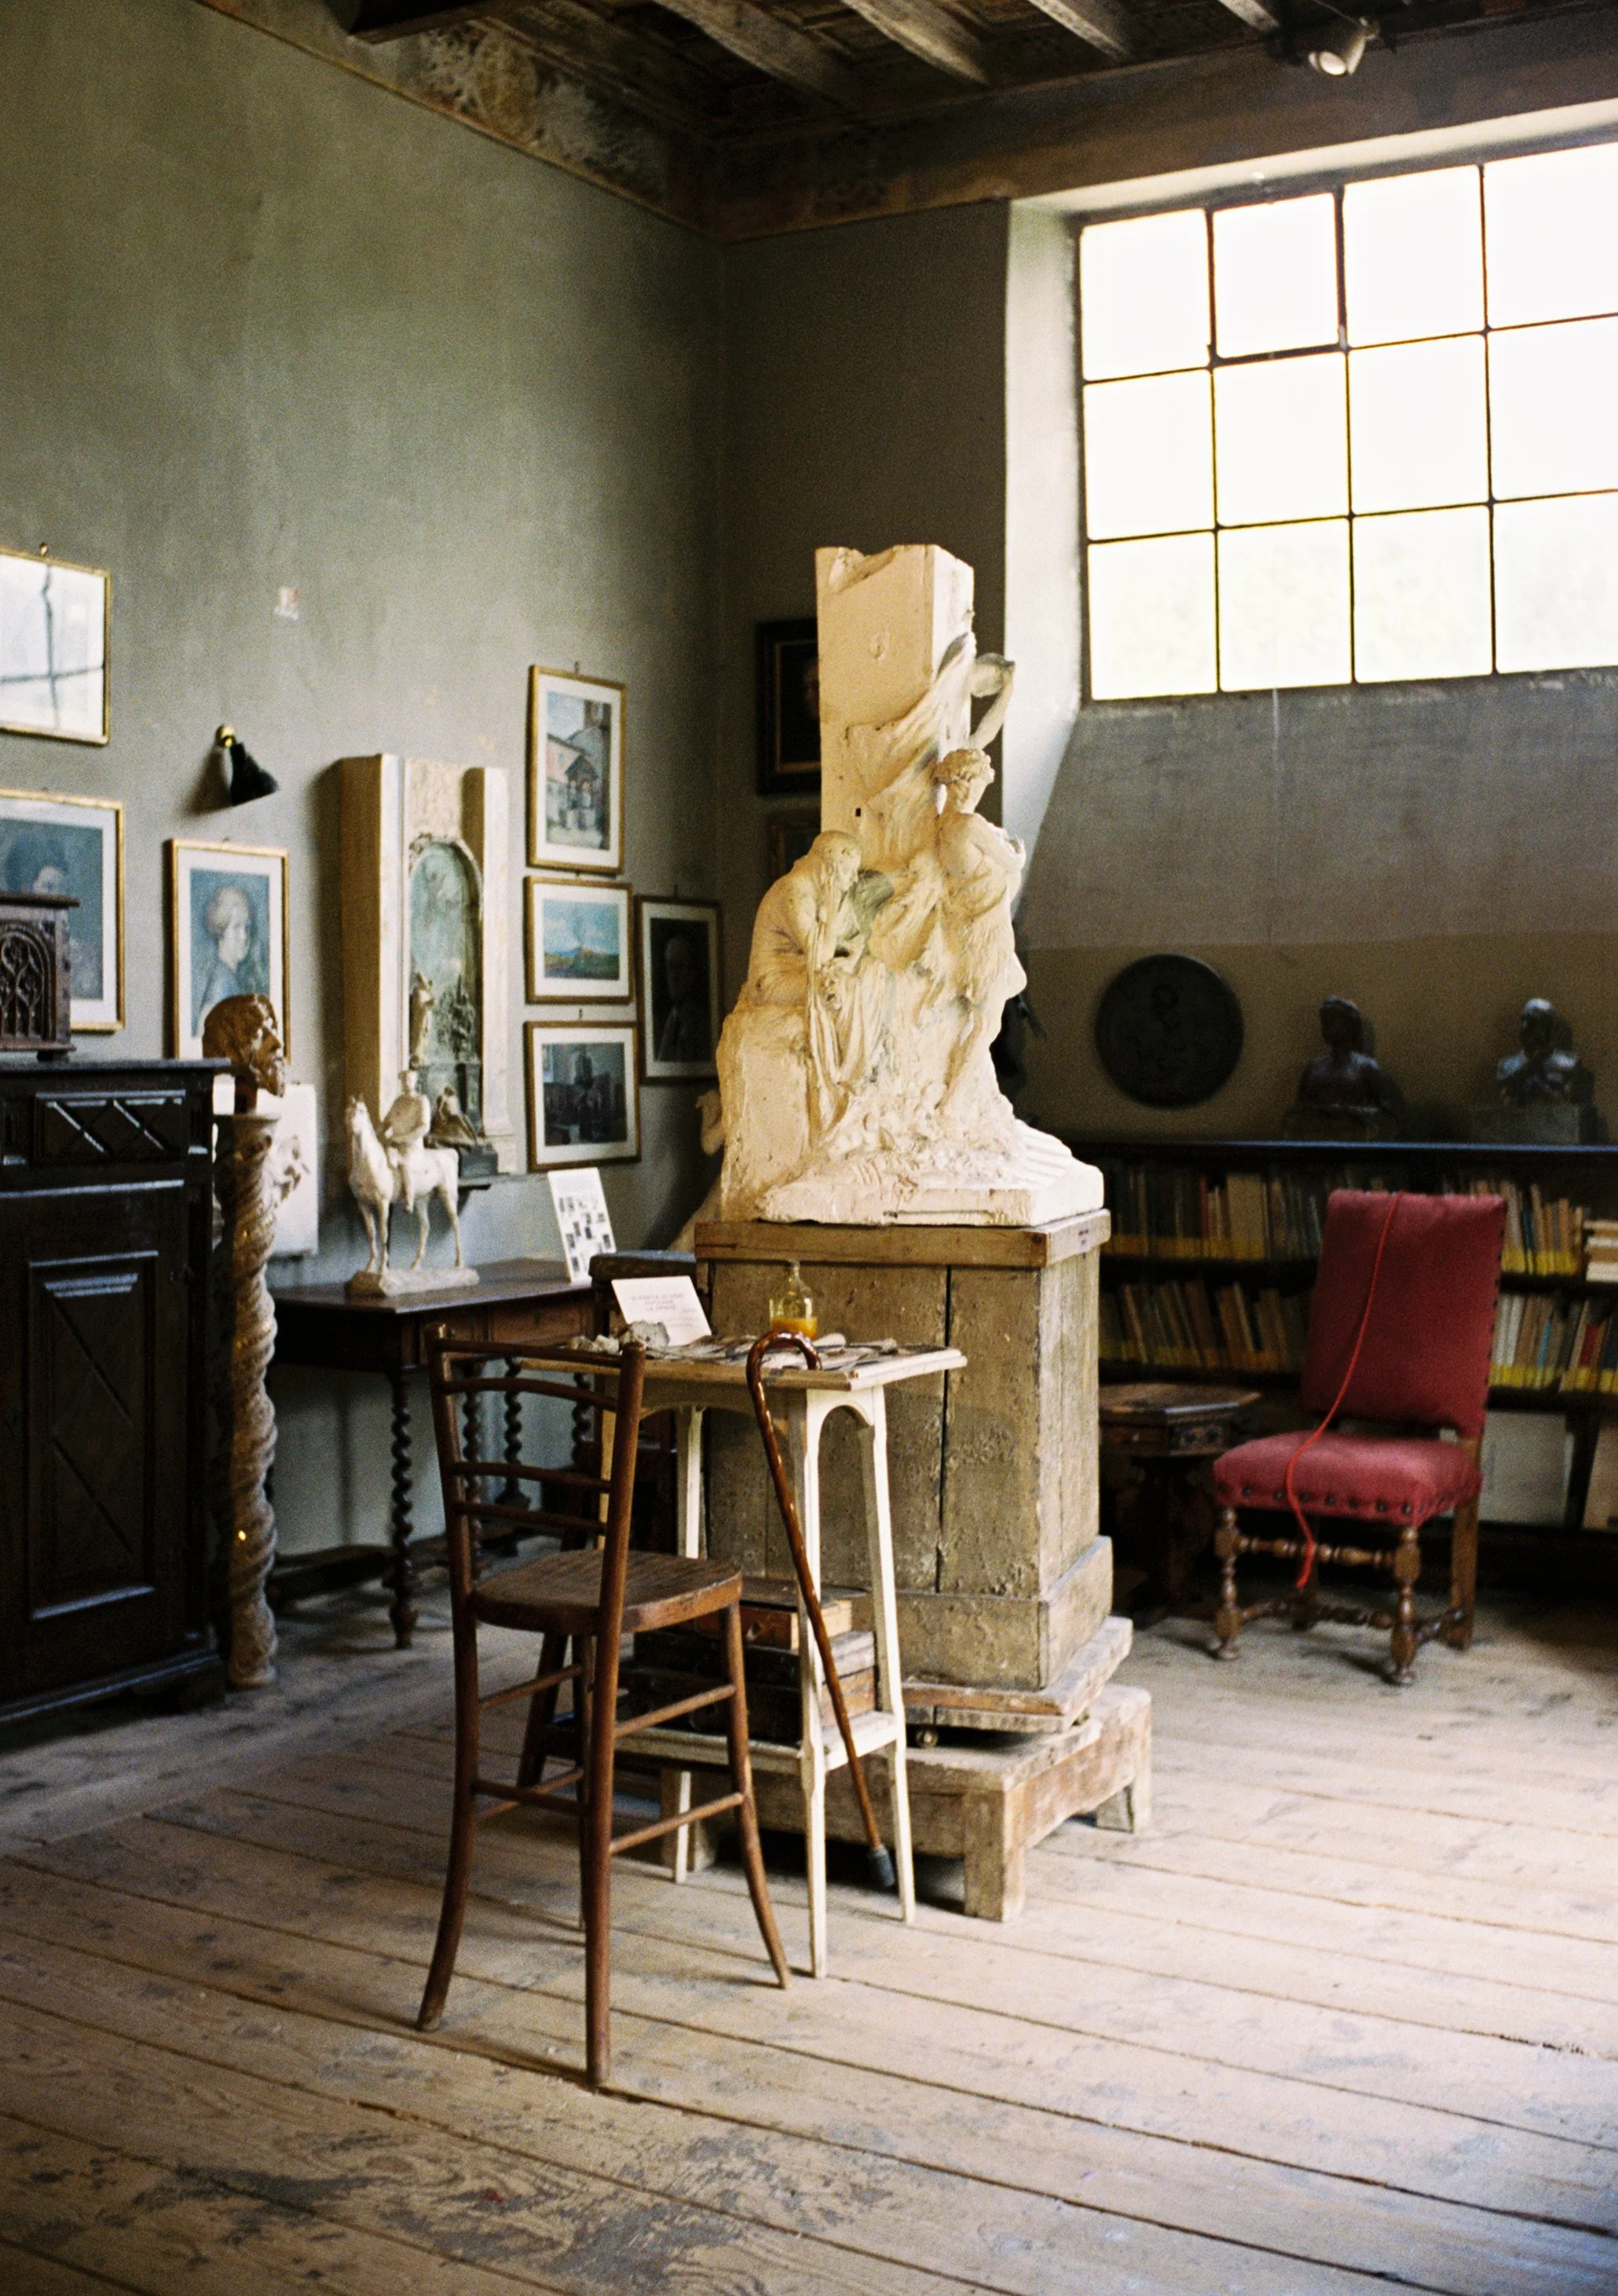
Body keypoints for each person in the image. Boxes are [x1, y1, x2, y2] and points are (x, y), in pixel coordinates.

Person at [194, 882, 263, 1038]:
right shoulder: (221, 985)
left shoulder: (230, 979)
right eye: (236, 927)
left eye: (246, 927)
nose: (244, 936)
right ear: (220, 932)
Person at [1497, 998, 1594, 1108]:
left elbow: (1571, 1104)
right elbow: (1507, 1102)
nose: (1525, 1027)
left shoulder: (1569, 1065)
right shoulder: (1507, 1066)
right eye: (1523, 1020)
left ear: (1548, 1028)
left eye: (1533, 1023)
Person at [656, 932, 710, 1064]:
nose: (674, 976)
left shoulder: (703, 1022)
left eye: (679, 967)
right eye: (670, 967)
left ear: (692, 972)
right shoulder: (662, 1020)